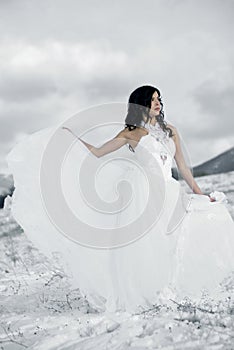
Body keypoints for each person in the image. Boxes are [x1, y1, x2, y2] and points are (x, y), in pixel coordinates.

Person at [7, 85, 234, 314]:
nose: (158, 103)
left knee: (183, 234)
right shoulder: (130, 133)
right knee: (148, 245)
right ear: (140, 105)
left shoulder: (171, 131)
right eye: (152, 100)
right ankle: (153, 290)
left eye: (159, 99)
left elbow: (183, 168)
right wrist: (72, 140)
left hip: (169, 191)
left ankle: (171, 286)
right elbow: (97, 153)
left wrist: (200, 193)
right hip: (143, 195)